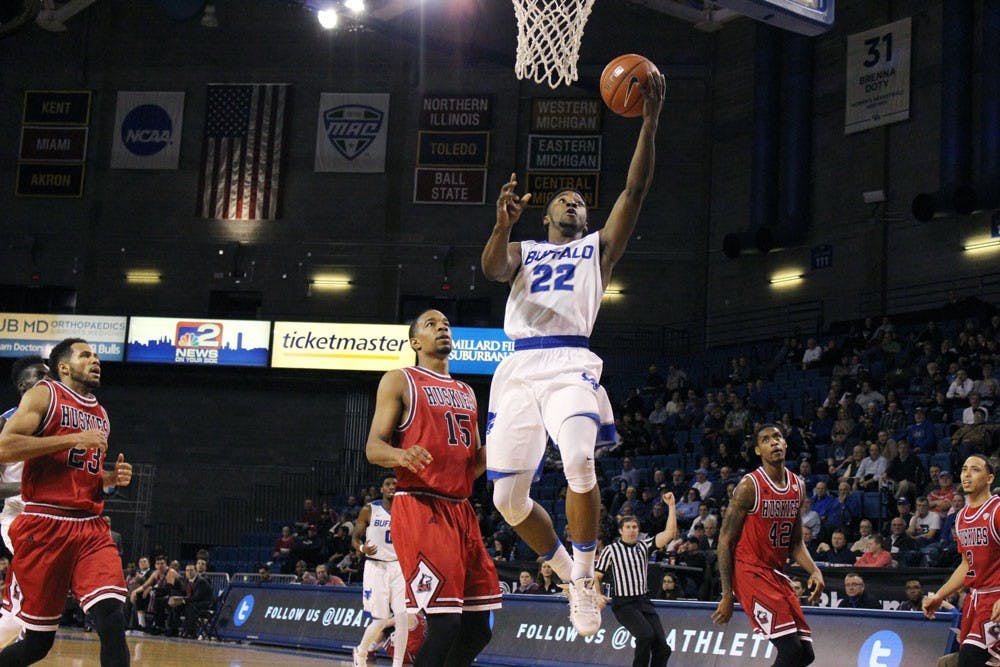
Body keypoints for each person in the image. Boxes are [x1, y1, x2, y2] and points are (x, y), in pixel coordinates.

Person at [480, 68, 665, 636]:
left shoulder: (598, 251)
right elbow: (490, 269)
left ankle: (586, 575)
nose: (573, 204)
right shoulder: (525, 247)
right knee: (508, 500)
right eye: (563, 199)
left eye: (580, 201)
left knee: (581, 457)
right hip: (517, 369)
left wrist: (650, 120)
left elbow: (634, 192)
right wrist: (498, 224)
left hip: (568, 363)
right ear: (546, 214)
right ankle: (564, 570)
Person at [365, 310, 500, 667]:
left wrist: (513, 444)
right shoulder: (400, 380)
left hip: (461, 510)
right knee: (444, 624)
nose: (442, 327)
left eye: (446, 324)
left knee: (478, 628)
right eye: (431, 324)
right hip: (421, 507)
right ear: (415, 342)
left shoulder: (467, 392)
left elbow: (471, 466)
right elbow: (373, 448)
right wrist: (402, 453)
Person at [0, 337, 133, 666]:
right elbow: (3, 448)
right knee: (37, 644)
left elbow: (75, 472)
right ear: (63, 367)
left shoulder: (100, 413)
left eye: (97, 355)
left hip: (89, 527)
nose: (95, 360)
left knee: (113, 616)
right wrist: (74, 437)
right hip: (42, 524)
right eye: (85, 355)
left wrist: (109, 479)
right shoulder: (46, 394)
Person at [712, 424, 824, 667]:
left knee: (806, 655)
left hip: (775, 573)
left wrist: (814, 570)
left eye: (778, 437)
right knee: (791, 651)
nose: (774, 442)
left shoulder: (798, 486)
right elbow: (724, 541)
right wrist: (727, 594)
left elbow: (795, 543)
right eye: (766, 439)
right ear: (757, 450)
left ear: (785, 444)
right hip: (749, 571)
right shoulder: (749, 486)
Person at [924, 455, 1000, 664]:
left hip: (995, 600)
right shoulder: (961, 517)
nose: (967, 474)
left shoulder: (997, 510)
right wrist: (940, 595)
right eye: (964, 469)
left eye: (975, 469)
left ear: (989, 478)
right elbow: (967, 564)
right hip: (975, 602)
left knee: (969, 660)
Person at [594, 491, 677, 667]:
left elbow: (670, 533)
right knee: (645, 635)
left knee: (663, 649)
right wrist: (597, 594)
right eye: (628, 527)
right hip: (624, 604)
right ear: (620, 530)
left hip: (644, 601)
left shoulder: (644, 546)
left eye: (635, 527)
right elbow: (596, 575)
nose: (632, 531)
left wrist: (671, 506)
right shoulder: (611, 550)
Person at [0, 356, 49, 648]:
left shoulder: (58, 423)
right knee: (27, 599)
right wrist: (28, 488)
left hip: (53, 516)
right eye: (41, 377)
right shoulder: (4, 423)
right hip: (18, 516)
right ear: (23, 386)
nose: (49, 382)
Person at [351, 474, 408, 667]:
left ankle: (398, 664)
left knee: (402, 618)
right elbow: (355, 538)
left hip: (399, 566)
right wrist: (361, 549)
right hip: (375, 566)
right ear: (382, 489)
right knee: (381, 620)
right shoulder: (369, 510)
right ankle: (361, 651)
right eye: (388, 484)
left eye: (395, 483)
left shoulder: (407, 510)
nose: (392, 486)